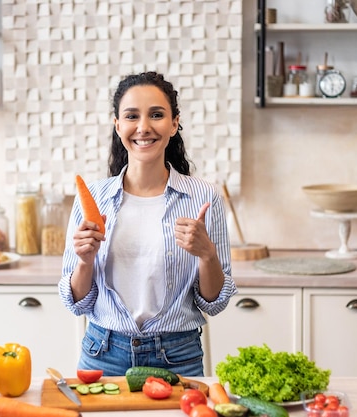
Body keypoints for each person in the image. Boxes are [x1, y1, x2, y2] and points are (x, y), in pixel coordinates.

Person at [59, 71, 237, 377]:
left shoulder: (204, 197)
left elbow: (213, 303)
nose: (144, 127)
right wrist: (85, 261)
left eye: (156, 114)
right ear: (117, 125)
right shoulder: (93, 198)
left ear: (174, 123)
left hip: (178, 356)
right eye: (132, 116)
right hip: (103, 353)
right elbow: (76, 303)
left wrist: (207, 254)